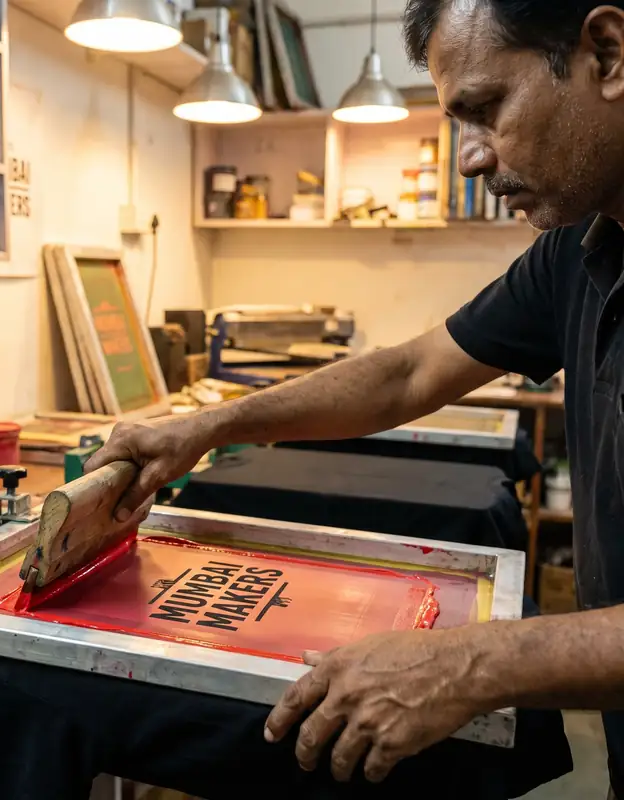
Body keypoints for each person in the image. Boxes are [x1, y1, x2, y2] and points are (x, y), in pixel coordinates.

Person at [81, 2, 624, 797]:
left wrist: (475, 661)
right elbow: (407, 373)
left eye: (485, 108)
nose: (470, 158)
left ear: (607, 55)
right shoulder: (576, 253)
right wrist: (204, 426)